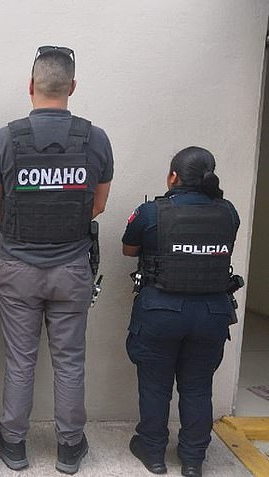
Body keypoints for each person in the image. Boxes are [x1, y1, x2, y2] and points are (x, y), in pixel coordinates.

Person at [0, 46, 113, 475]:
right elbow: (97, 206)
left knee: (21, 359)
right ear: (72, 87)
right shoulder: (95, 139)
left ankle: (15, 445)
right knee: (70, 359)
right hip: (72, 267)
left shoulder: (6, 138)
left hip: (18, 267)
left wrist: (22, 235)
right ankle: (69, 448)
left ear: (31, 85)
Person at [122, 146, 241, 477]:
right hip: (211, 313)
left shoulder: (150, 212)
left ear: (173, 176)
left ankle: (153, 452)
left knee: (155, 384)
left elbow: (128, 248)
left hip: (161, 312)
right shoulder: (228, 212)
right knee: (199, 386)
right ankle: (192, 460)